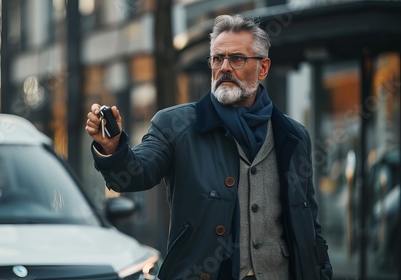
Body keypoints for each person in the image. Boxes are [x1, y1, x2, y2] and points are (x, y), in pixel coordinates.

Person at [86, 14, 332, 280]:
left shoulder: (293, 136)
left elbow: (308, 223)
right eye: (217, 58)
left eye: (237, 58)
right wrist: (112, 148)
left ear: (263, 68)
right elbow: (137, 173)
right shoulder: (175, 125)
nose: (225, 67)